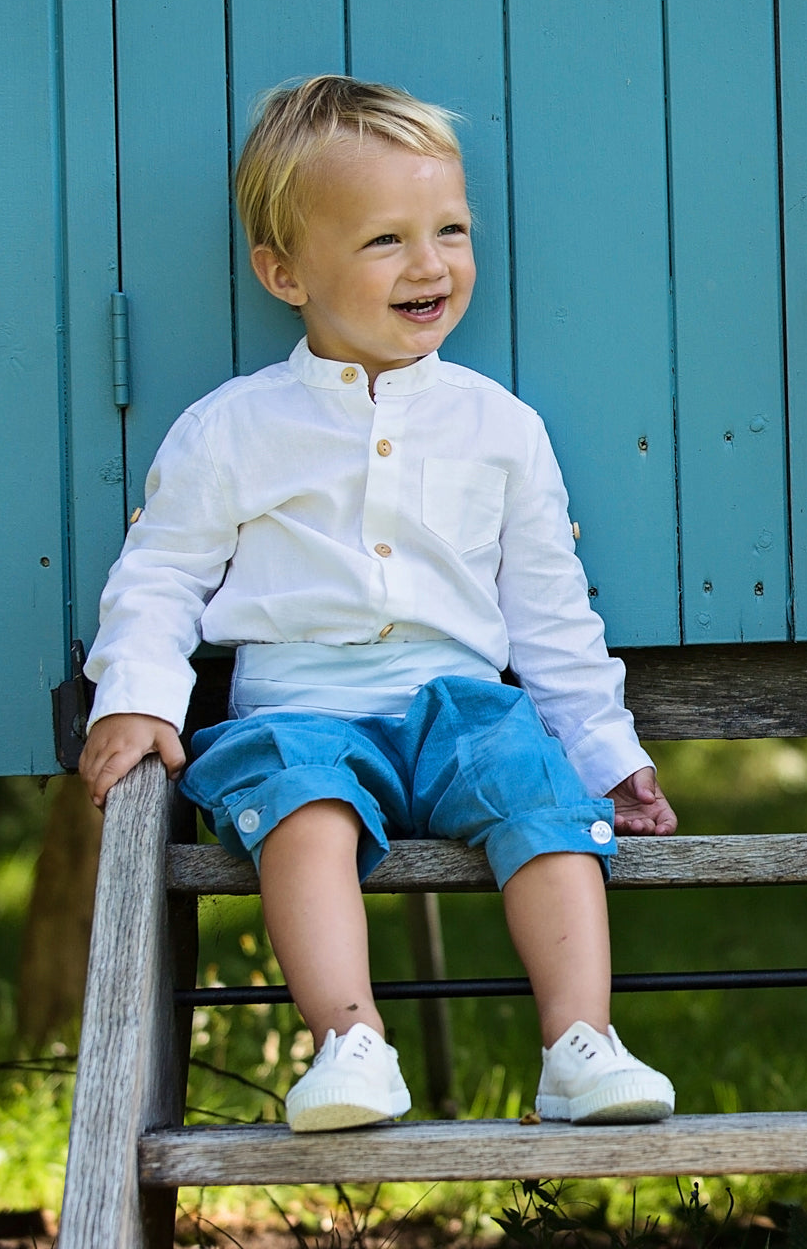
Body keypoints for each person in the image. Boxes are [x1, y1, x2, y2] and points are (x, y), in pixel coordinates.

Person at [79, 74, 678, 1133]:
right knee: (302, 812)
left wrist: (604, 748)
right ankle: (348, 1041)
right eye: (384, 240)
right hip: (296, 708)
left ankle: (579, 1040)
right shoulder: (232, 429)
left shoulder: (499, 427)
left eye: (448, 228)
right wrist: (137, 695)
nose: (429, 263)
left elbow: (547, 611)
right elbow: (162, 569)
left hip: (457, 704)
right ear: (283, 272)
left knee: (535, 784)